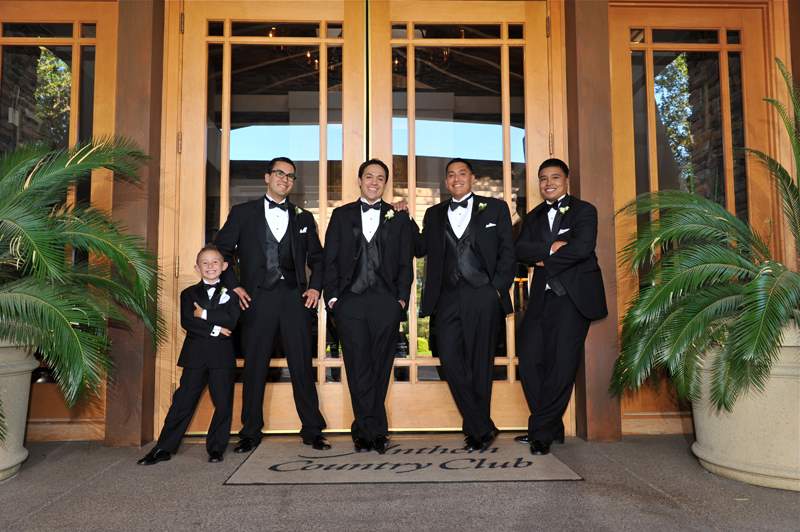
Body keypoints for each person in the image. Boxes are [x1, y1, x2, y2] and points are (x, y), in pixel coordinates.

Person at [214, 156, 330, 453]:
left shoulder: (304, 217)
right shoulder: (243, 213)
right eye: (279, 173)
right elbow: (221, 251)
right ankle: (250, 431)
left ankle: (312, 430)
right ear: (267, 177)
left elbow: (318, 259)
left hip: (294, 299)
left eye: (290, 176)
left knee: (302, 366)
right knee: (255, 367)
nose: (285, 179)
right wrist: (233, 285)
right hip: (257, 300)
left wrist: (315, 287)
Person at [413, 158, 515, 451]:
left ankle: (476, 431)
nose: (456, 178)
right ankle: (482, 425)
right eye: (451, 175)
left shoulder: (495, 208)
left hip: (483, 294)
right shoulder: (433, 214)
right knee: (449, 359)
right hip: (446, 298)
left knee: (480, 364)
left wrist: (496, 290)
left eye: (462, 173)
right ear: (446, 181)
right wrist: (403, 218)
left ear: (472, 178)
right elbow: (420, 248)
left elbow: (508, 252)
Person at [514, 158, 607, 455]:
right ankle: (549, 427)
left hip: (573, 297)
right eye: (543, 178)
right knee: (529, 360)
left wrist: (543, 258)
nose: (548, 183)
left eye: (554, 177)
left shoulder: (584, 211)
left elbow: (582, 248)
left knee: (562, 364)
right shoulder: (533, 216)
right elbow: (520, 250)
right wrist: (551, 249)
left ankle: (541, 431)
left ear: (566, 180)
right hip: (541, 297)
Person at [323, 158, 414, 454]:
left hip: (386, 302)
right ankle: (367, 430)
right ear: (360, 180)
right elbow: (330, 259)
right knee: (357, 366)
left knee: (380, 367)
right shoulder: (341, 215)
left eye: (380, 178)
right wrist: (333, 298)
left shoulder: (397, 216)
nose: (374, 182)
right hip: (350, 301)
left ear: (385, 184)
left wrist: (401, 299)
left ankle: (371, 430)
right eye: (369, 176)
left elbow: (406, 262)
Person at [137, 244, 240, 465]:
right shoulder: (188, 294)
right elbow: (188, 322)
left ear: (224, 266)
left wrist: (204, 314)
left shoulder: (233, 294)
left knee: (223, 403)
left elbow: (231, 321)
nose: (210, 266)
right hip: (195, 356)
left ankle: (216, 448)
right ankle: (163, 447)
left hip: (222, 357)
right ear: (197, 268)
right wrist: (215, 328)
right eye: (205, 263)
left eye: (215, 262)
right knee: (182, 402)